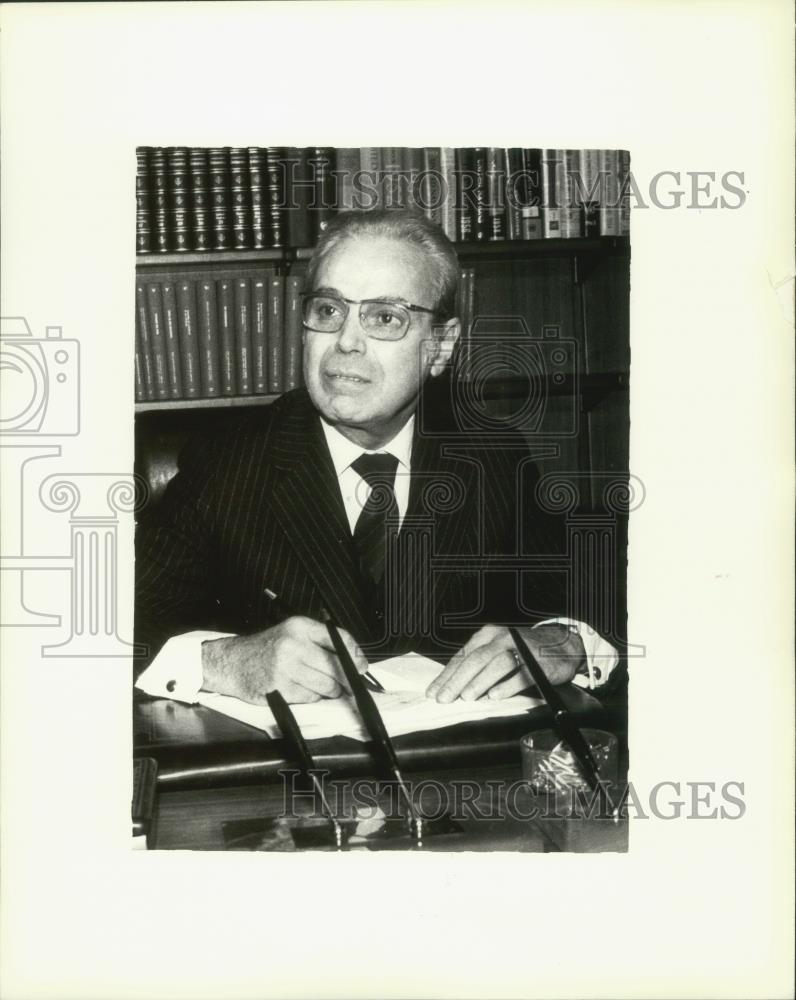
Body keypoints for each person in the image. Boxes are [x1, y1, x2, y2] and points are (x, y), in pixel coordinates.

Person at [135, 209, 617, 705]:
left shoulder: (491, 454)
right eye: (328, 311)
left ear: (441, 346)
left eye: (384, 317)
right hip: (292, 777)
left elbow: (590, 605)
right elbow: (117, 634)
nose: (345, 342)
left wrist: (563, 642)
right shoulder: (228, 463)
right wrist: (226, 661)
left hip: (461, 771)